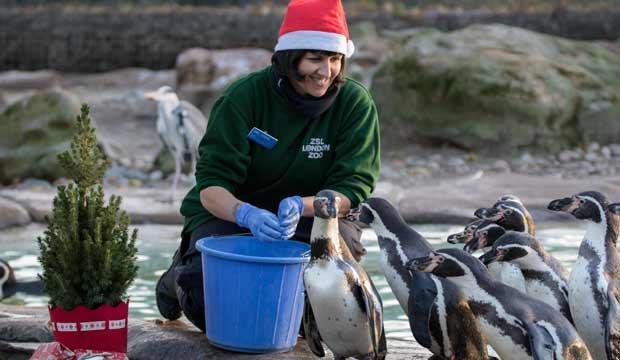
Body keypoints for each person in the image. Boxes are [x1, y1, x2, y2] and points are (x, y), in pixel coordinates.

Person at [155, 0, 381, 331]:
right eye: (314, 59)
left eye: (334, 59)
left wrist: (302, 206)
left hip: (315, 217)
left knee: (320, 313)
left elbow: (353, 186)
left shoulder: (354, 103)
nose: (325, 71)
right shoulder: (244, 98)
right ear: (289, 59)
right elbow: (211, 186)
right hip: (231, 216)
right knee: (219, 311)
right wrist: (246, 213)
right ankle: (178, 277)